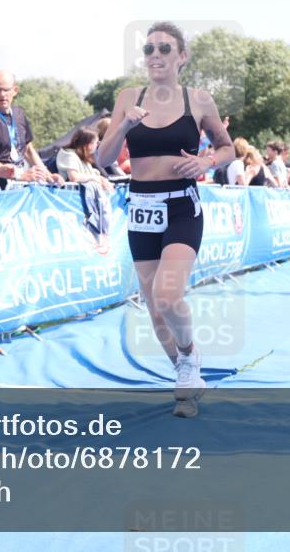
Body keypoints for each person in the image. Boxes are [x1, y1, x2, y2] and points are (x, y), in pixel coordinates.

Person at [97, 21, 233, 418]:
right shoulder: (128, 97)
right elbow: (102, 160)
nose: (155, 56)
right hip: (141, 206)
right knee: (154, 309)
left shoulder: (200, 100)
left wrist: (206, 160)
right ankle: (185, 374)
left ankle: (190, 358)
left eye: (164, 49)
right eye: (149, 50)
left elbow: (226, 149)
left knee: (168, 296)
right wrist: (125, 124)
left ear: (182, 57)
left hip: (180, 207)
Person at [0, 70, 63, 187]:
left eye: (6, 90)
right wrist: (15, 173)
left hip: (20, 182)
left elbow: (28, 150)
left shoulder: (19, 113)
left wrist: (48, 175)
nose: (2, 94)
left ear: (15, 90)